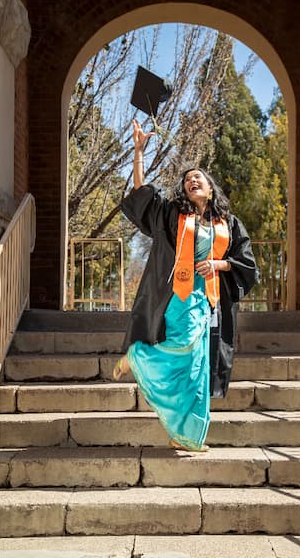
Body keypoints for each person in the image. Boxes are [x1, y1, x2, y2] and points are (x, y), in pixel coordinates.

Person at [114, 119, 258, 451]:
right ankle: (139, 358)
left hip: (209, 300)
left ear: (210, 188)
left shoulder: (229, 224)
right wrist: (138, 152)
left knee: (197, 366)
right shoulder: (172, 216)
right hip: (177, 295)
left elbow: (247, 264)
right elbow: (142, 197)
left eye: (198, 178)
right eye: (187, 180)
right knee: (182, 347)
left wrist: (219, 264)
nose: (192, 180)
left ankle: (186, 434)